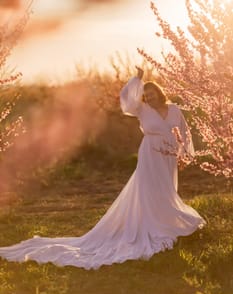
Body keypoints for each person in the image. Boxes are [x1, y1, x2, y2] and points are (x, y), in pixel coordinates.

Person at [0, 67, 206, 270]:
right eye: (146, 95)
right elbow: (127, 101)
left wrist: (184, 154)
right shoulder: (142, 109)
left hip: (169, 155)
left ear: (160, 93)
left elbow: (185, 133)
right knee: (149, 188)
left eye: (152, 94)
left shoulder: (175, 110)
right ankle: (152, 225)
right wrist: (137, 80)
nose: (149, 97)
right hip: (150, 153)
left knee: (167, 189)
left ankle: (164, 219)